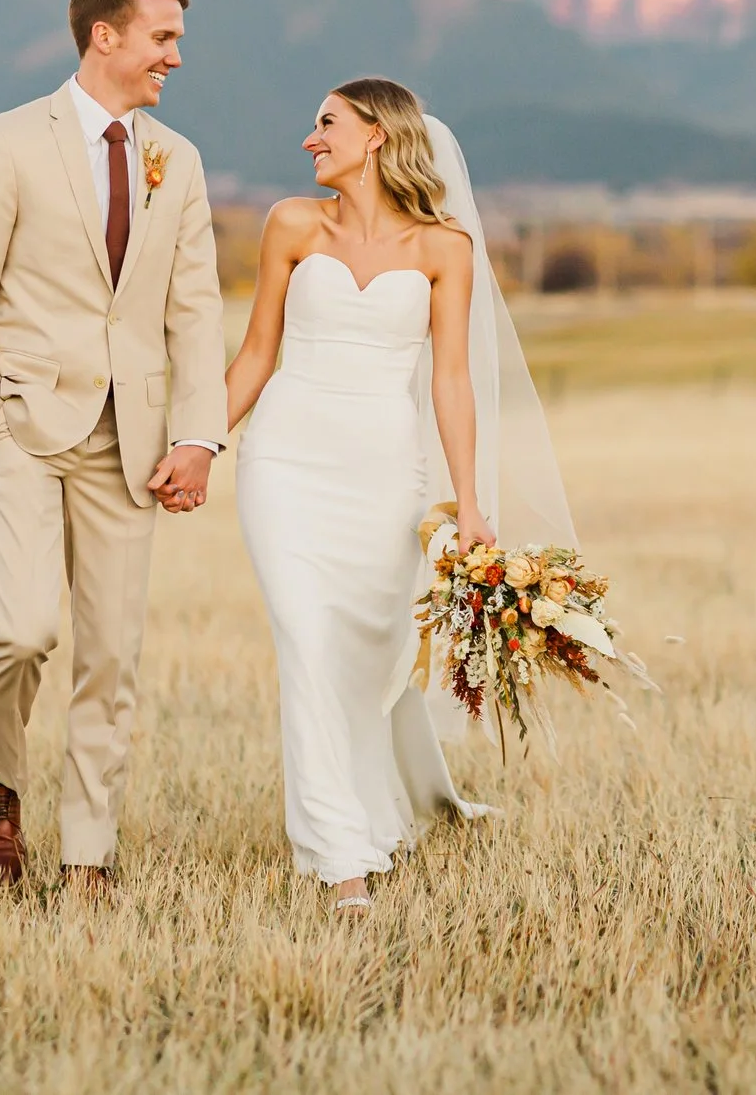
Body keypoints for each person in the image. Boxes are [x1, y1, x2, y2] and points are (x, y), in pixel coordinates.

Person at [226, 77, 572, 917]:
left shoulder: (442, 248)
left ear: (376, 134)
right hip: (284, 463)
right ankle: (339, 855)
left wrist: (470, 502)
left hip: (383, 475)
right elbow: (256, 352)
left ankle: (378, 804)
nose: (310, 140)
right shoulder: (290, 225)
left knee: (370, 658)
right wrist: (196, 443)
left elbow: (452, 381)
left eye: (327, 123)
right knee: (306, 640)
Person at [0, 0, 229, 901]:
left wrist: (199, 434)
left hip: (131, 441)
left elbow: (197, 308)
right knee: (22, 632)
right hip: (22, 423)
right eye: (162, 37)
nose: (174, 57)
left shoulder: (174, 159)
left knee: (112, 653)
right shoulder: (9, 140)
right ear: (106, 35)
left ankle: (88, 857)